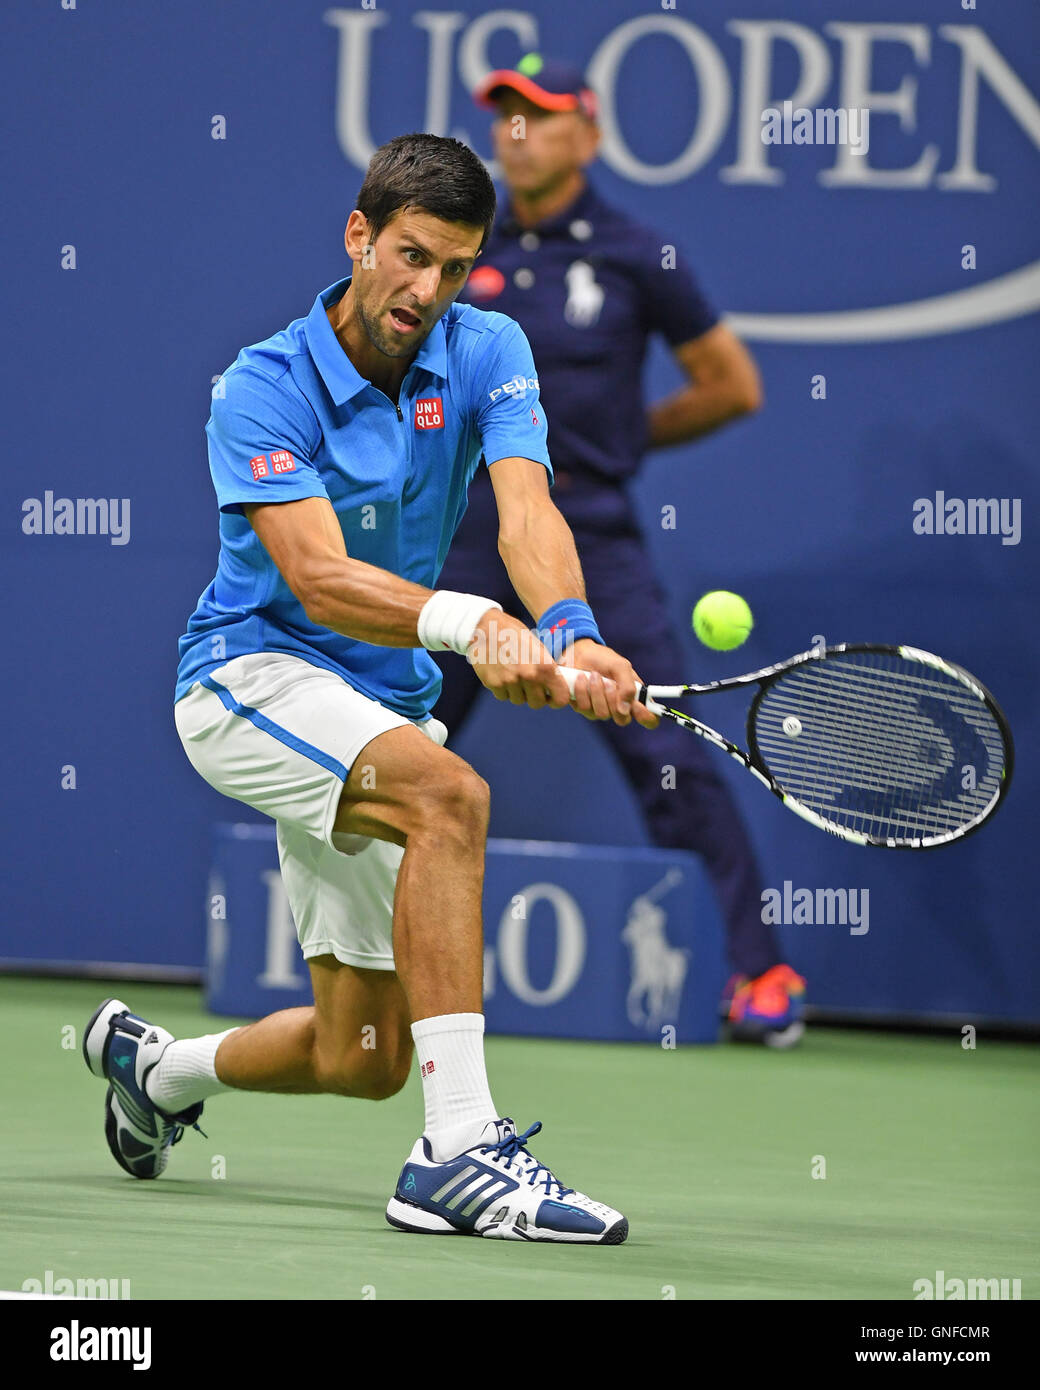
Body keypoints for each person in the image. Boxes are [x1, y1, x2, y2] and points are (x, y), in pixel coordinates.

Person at [82, 133, 659, 1245]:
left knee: (361, 1055)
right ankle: (458, 1154)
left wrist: (571, 631)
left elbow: (526, 509)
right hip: (249, 676)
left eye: (453, 267)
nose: (425, 289)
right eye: (408, 255)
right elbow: (314, 574)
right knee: (451, 796)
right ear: (359, 235)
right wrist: (471, 623)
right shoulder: (260, 384)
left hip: (375, 703)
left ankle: (154, 1069)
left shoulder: (486, 347)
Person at [433, 55, 806, 1047]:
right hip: (460, 534)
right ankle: (342, 956)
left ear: (586, 137)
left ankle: (759, 973)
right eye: (505, 117)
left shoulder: (643, 255)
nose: (518, 133)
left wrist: (623, 442)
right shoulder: (458, 252)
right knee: (398, 739)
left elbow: (731, 383)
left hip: (590, 533)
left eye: (541, 117)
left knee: (668, 757)